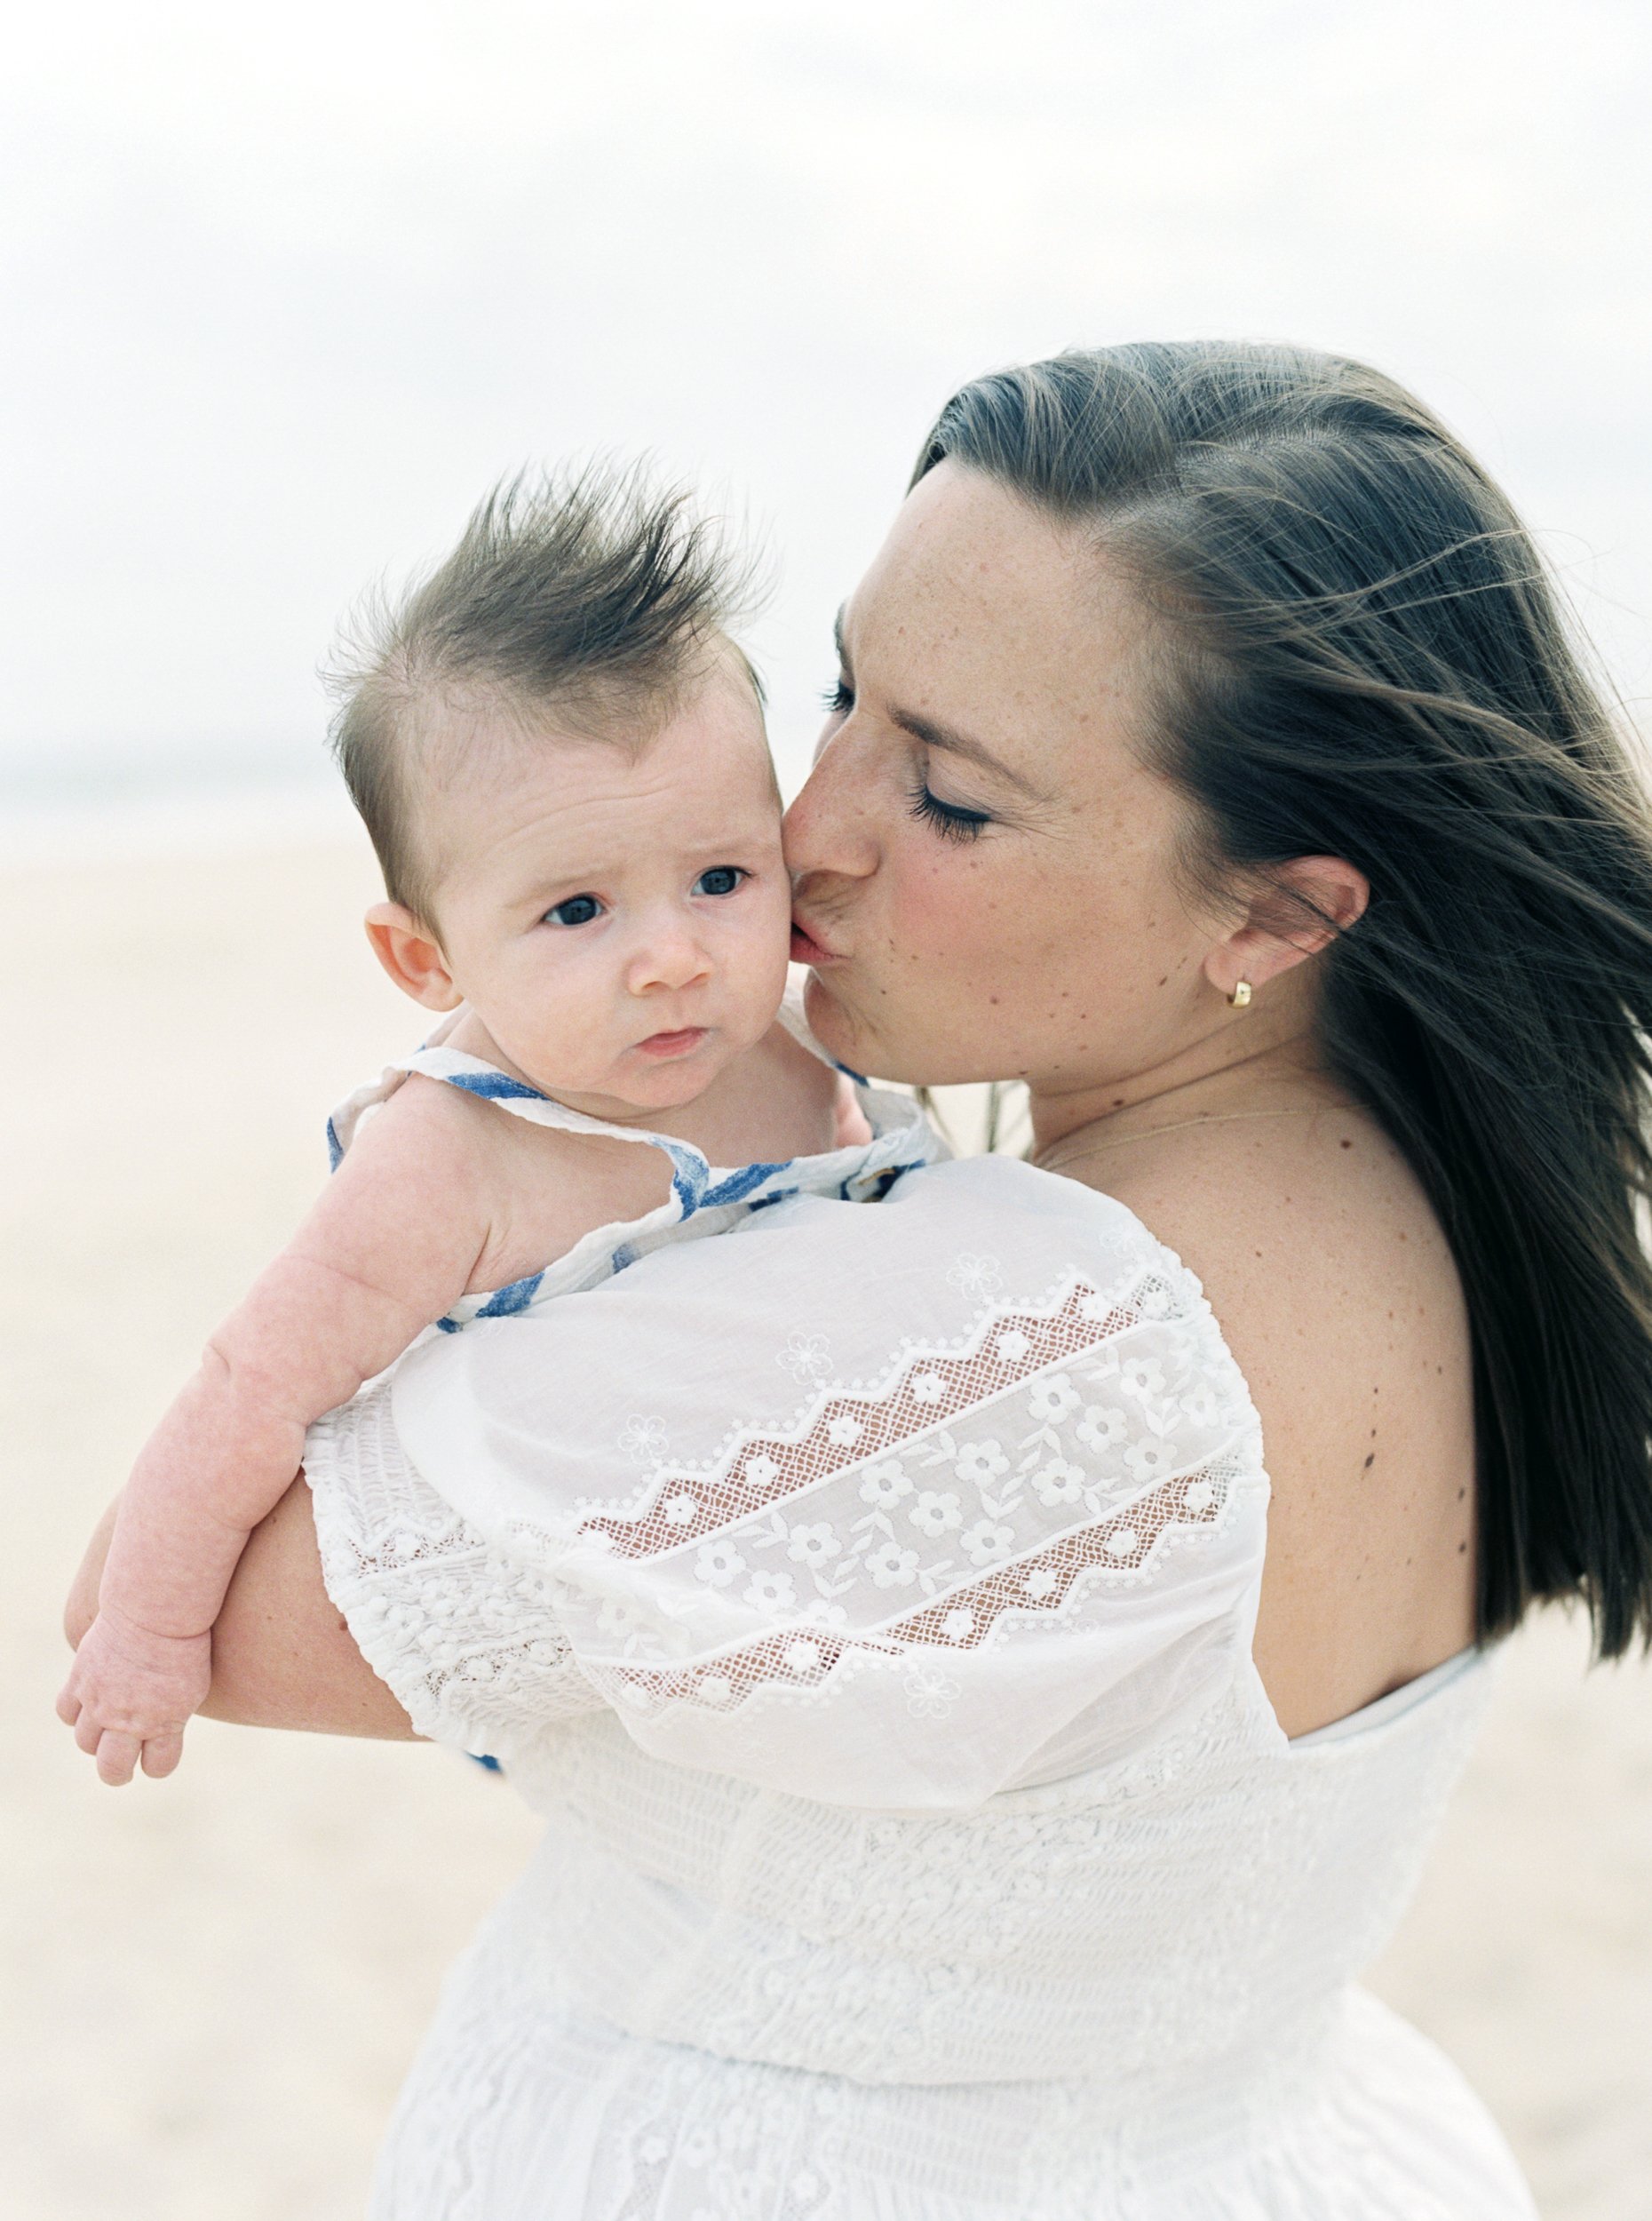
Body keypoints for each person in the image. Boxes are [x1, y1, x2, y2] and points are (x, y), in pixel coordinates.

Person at [68, 341, 1652, 2218]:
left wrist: (495, 1175)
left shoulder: (1007, 1324)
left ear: (1277, 908)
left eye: (955, 798)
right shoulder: (1445, 1192)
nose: (808, 829)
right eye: (846, 693)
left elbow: (189, 1607)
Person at [57, 466, 911, 1787]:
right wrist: (149, 1629)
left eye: (722, 877)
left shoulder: (793, 1033)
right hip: (584, 1603)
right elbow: (250, 1391)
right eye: (579, 912)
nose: (674, 957)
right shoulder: (447, 1158)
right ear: (425, 962)